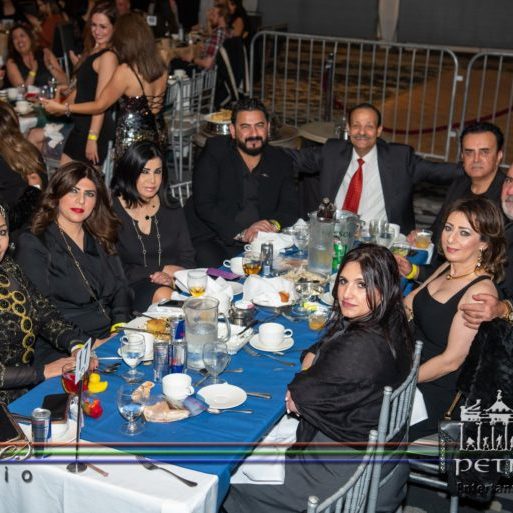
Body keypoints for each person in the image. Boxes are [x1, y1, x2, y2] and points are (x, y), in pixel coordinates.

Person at [224, 244, 413, 513]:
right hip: (373, 458)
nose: (347, 293)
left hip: (338, 473)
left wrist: (306, 376)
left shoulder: (361, 347)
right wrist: (313, 367)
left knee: (228, 479)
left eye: (361, 285)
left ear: (384, 287)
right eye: (344, 282)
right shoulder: (388, 319)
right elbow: (320, 346)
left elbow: (297, 398)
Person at [405, 197, 506, 439]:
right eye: (449, 228)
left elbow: (450, 361)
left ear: (484, 243)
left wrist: (401, 380)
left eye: (464, 233)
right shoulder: (448, 268)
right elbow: (407, 305)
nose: (451, 239)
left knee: (359, 414)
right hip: (409, 363)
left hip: (430, 390)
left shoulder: (479, 292)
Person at [15, 161, 131, 364]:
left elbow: (121, 287)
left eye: (89, 194)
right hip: (64, 345)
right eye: (73, 191)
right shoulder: (34, 242)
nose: (81, 201)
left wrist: (118, 328)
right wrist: (89, 343)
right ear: (56, 194)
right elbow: (41, 312)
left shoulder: (100, 234)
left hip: (109, 335)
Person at [288, 102, 462, 231]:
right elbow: (292, 159)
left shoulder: (399, 159)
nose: (362, 132)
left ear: (379, 130)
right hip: (334, 234)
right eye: (356, 126)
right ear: (348, 128)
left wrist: (473, 168)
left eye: (369, 127)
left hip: (379, 239)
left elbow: (438, 172)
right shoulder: (332, 152)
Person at [185, 97, 299, 267]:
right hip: (213, 237)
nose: (253, 133)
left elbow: (290, 207)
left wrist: (270, 225)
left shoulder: (281, 160)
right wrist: (243, 232)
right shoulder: (215, 151)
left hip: (260, 240)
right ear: (232, 130)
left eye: (259, 125)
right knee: (218, 272)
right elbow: (204, 205)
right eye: (245, 127)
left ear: (268, 127)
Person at [41, 12, 168, 161]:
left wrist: (65, 108)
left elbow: (99, 105)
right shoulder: (161, 66)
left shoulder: (126, 71)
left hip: (133, 140)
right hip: (158, 134)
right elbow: (153, 109)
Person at [0, 202, 90, 404]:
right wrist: (43, 371)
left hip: (22, 391)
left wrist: (75, 345)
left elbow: (44, 313)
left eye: (2, 232)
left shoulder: (8, 267)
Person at [396, 121, 505, 281]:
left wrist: (421, 274)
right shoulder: (460, 184)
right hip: (440, 269)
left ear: (499, 156)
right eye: (469, 152)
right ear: (462, 156)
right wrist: (424, 234)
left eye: (484, 152)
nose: (476, 159)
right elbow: (439, 227)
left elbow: (496, 263)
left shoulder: (505, 199)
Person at [111, 141, 195, 311]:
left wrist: (172, 279)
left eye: (158, 172)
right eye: (145, 172)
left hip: (174, 282)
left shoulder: (171, 206)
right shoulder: (111, 212)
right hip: (130, 286)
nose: (152, 180)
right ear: (130, 171)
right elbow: (114, 269)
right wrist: (160, 270)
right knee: (168, 299)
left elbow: (188, 256)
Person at [61, 0, 118, 166]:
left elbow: (101, 103)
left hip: (94, 128)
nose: (97, 31)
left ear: (114, 28)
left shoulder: (108, 56)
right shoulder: (94, 48)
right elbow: (88, 86)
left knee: (86, 180)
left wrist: (92, 138)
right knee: (63, 178)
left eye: (103, 26)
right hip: (81, 125)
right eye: (93, 25)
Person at [460, 163, 513, 328]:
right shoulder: (500, 222)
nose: (510, 191)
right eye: (509, 180)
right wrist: (415, 271)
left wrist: (504, 309)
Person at [0, 102, 44, 232]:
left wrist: (34, 191)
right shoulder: (30, 150)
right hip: (33, 226)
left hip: (18, 232)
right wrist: (35, 189)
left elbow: (10, 220)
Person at [6, 22, 67, 87]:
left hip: (54, 92)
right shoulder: (11, 62)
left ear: (30, 38)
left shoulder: (44, 53)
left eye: (22, 36)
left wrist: (50, 66)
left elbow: (65, 81)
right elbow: (22, 91)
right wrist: (33, 71)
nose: (19, 40)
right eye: (15, 38)